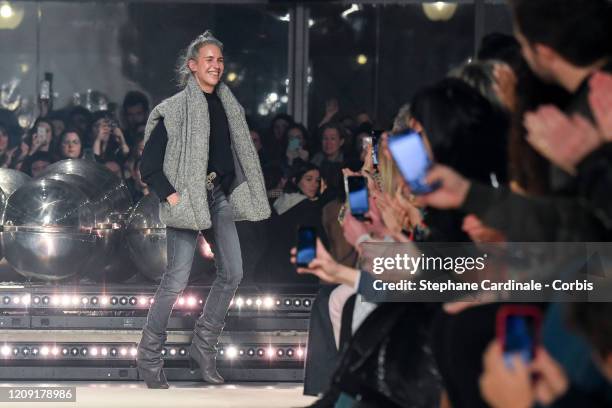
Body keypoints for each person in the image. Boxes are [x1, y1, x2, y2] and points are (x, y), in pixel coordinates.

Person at [137, 30, 270, 389]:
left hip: (217, 196)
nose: (216, 65)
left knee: (233, 272)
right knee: (176, 279)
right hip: (187, 197)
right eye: (208, 59)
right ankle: (149, 356)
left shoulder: (230, 106)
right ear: (192, 66)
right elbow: (148, 165)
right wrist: (174, 196)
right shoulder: (175, 109)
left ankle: (203, 346)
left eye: (220, 60)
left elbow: (236, 154)